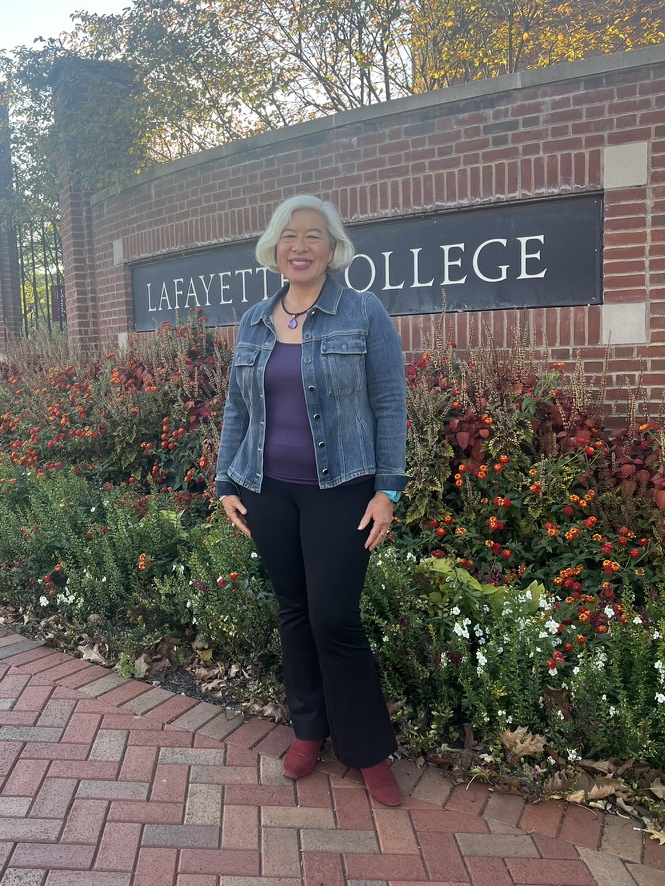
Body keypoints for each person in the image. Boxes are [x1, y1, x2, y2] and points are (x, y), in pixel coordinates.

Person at [215, 194, 409, 806]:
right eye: (289, 236)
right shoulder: (251, 321)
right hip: (267, 492)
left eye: (314, 237)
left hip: (342, 490)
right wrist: (225, 483)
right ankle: (308, 731)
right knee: (294, 612)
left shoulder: (363, 313)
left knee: (336, 619)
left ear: (333, 249)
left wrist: (388, 489)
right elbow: (237, 409)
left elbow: (389, 403)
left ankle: (367, 750)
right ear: (274, 247)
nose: (300, 246)